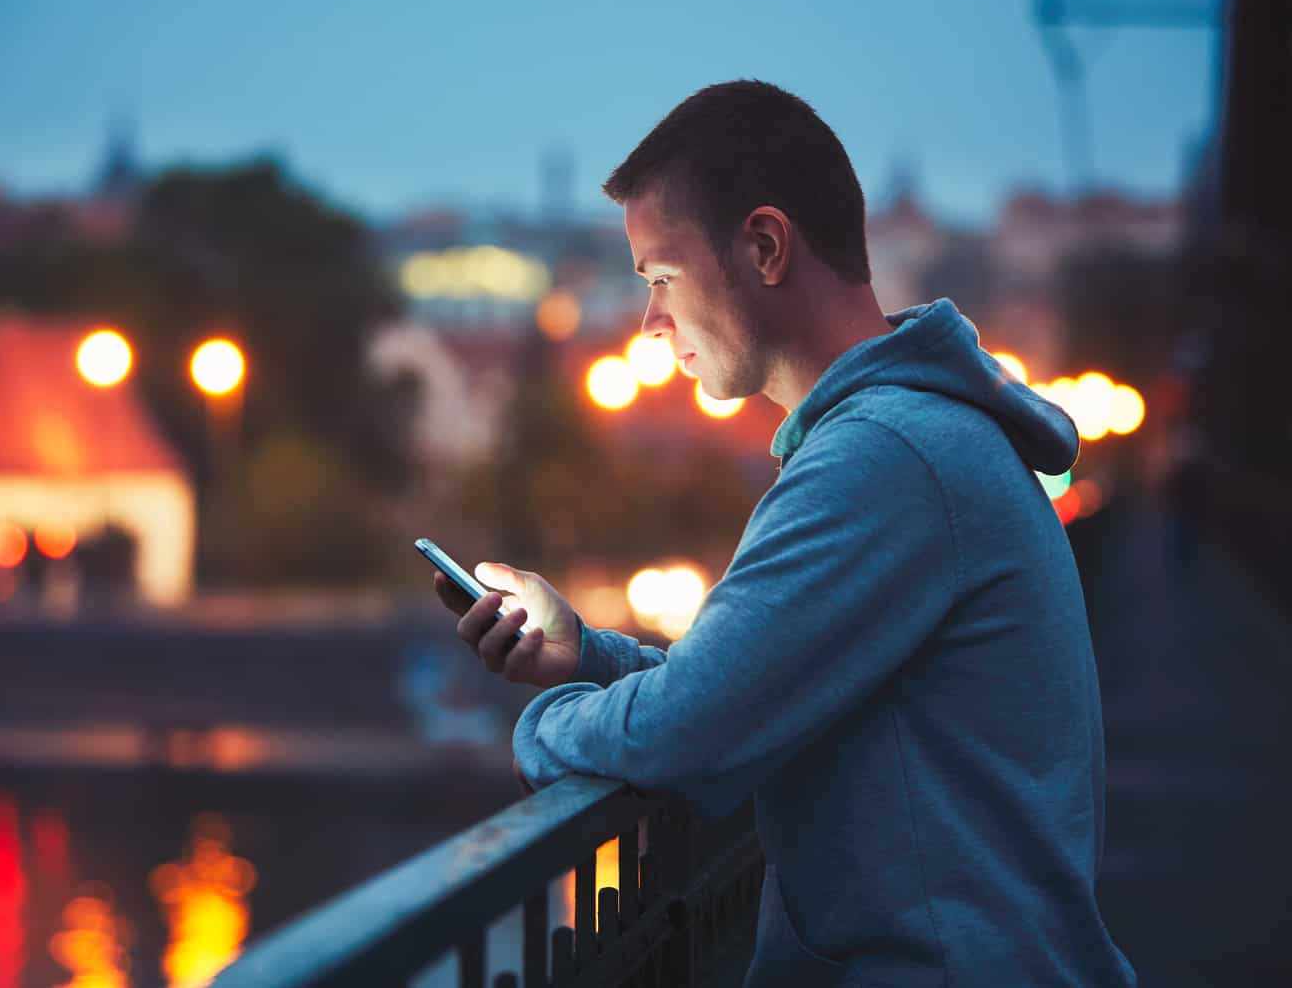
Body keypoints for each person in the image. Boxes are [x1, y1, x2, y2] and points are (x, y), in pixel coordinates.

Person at [433, 80, 1136, 986]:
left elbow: (686, 731)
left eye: (660, 278)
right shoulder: (914, 438)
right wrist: (586, 658)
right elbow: (760, 686)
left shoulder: (883, 459)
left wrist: (544, 725)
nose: (650, 323)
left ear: (764, 246)